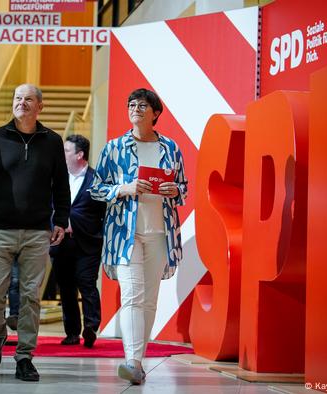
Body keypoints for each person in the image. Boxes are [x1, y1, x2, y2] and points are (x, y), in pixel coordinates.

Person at [0, 83, 70, 382]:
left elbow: (61, 185)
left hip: (38, 232)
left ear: (40, 106)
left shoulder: (52, 141)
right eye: (17, 99)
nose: (21, 103)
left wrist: (60, 219)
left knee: (30, 298)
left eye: (28, 100)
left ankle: (25, 356)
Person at [91, 88, 188, 385]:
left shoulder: (170, 148)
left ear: (155, 113)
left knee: (149, 300)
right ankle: (132, 362)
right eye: (131, 104)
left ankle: (138, 362)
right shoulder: (114, 147)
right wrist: (123, 188)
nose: (135, 109)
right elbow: (96, 189)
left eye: (142, 105)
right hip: (125, 234)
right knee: (132, 295)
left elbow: (183, 186)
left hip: (161, 233)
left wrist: (176, 191)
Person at [52, 134, 106, 348]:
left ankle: (91, 327)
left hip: (88, 243)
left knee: (86, 283)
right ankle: (72, 333)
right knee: (65, 288)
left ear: (80, 155)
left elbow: (103, 213)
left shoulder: (96, 179)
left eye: (66, 150)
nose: (62, 154)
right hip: (61, 243)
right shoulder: (56, 178)